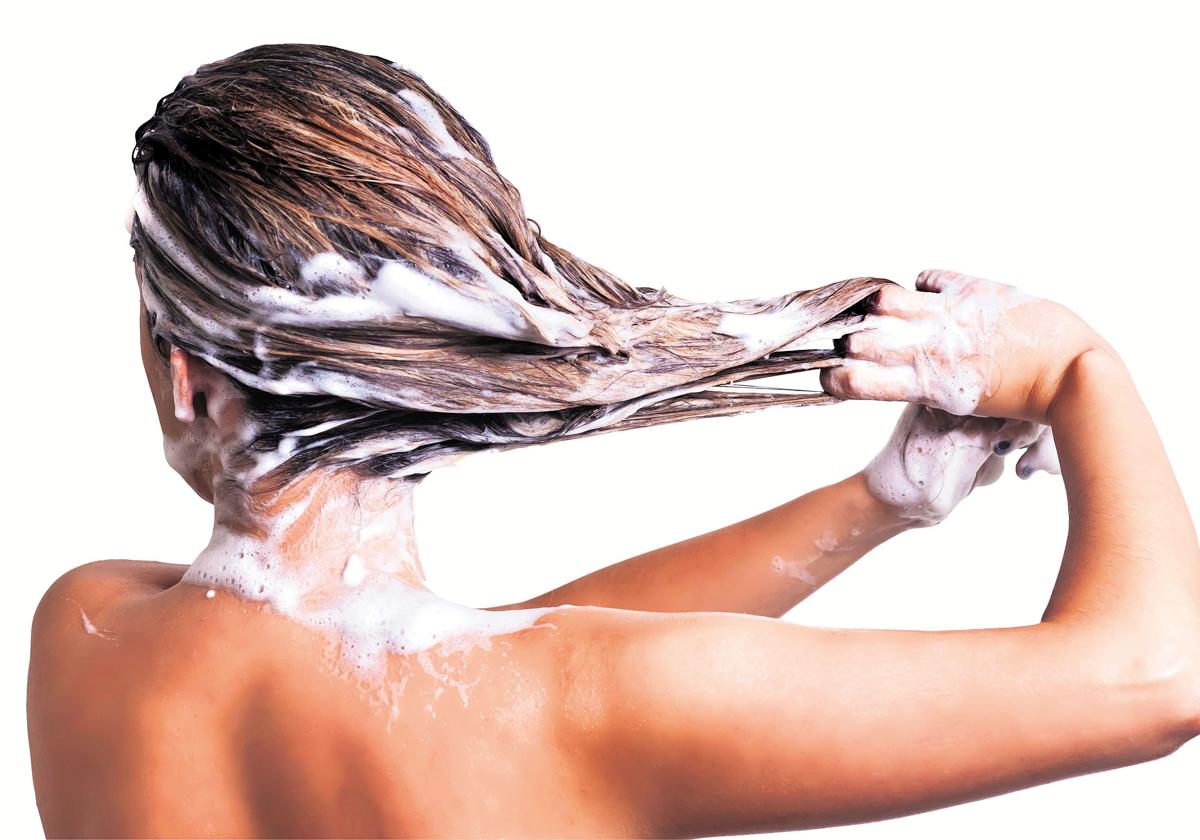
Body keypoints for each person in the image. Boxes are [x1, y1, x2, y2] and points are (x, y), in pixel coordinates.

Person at [28, 44, 1199, 838]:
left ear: (186, 379)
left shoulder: (84, 632)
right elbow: (1153, 679)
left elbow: (511, 654)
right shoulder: (565, 710)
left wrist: (876, 503)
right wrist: (1083, 368)